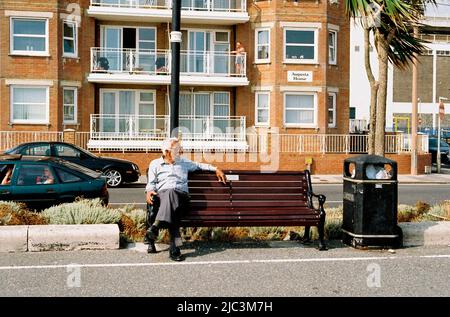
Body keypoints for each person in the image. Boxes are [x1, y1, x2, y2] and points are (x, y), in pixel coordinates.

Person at [145, 137, 227, 261]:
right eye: (178, 149)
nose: (181, 152)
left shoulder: (184, 163)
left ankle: (156, 228)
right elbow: (151, 184)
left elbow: (200, 165)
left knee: (172, 193)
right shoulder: (155, 164)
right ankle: (175, 248)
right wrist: (149, 191)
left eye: (181, 149)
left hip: (182, 200)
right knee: (173, 210)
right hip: (163, 200)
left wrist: (216, 169)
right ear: (167, 151)